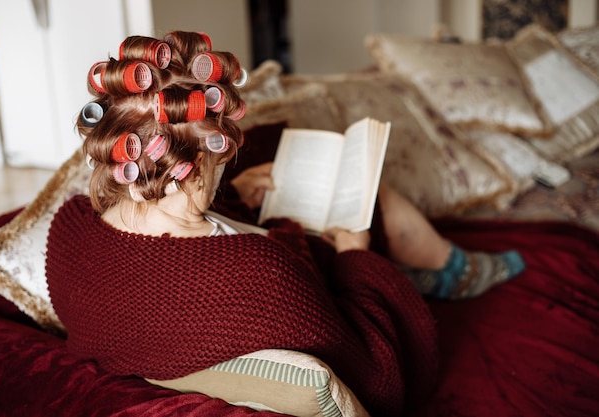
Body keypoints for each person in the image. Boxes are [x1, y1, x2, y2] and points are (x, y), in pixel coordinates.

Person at [45, 31, 524, 417]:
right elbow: (378, 379)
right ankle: (448, 269)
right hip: (312, 274)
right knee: (369, 204)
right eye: (219, 165)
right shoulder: (259, 274)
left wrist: (231, 192)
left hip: (223, 280)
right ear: (196, 167)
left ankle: (434, 262)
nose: (224, 169)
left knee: (279, 148)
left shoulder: (68, 230)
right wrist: (357, 256)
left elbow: (164, 257)